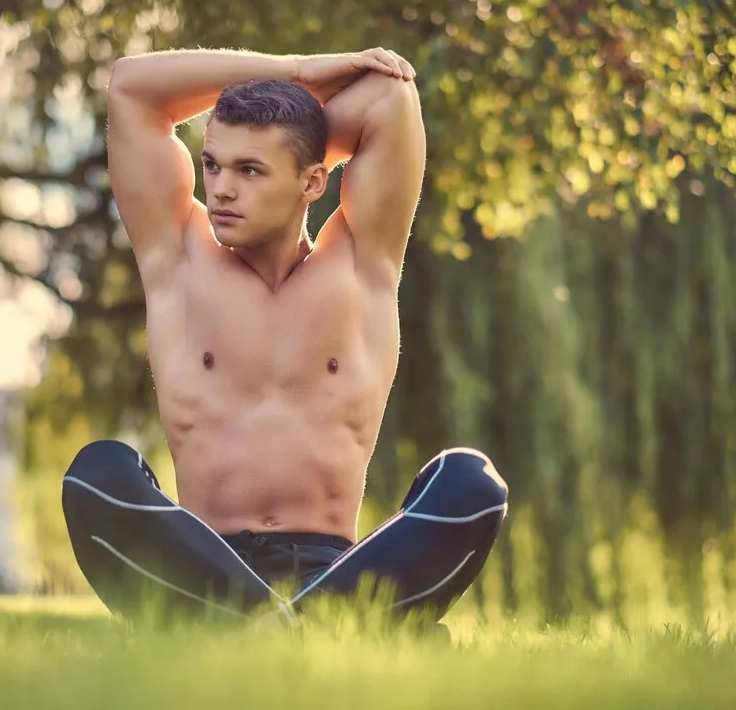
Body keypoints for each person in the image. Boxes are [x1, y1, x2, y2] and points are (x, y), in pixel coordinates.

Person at [61, 47, 509, 626]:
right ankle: (301, 628)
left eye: (250, 171)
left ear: (314, 181)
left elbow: (390, 97)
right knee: (96, 474)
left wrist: (297, 139)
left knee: (472, 483)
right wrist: (295, 72)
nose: (221, 189)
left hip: (334, 574)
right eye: (212, 165)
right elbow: (131, 88)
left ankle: (278, 625)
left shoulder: (361, 263)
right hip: (204, 569)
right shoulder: (177, 258)